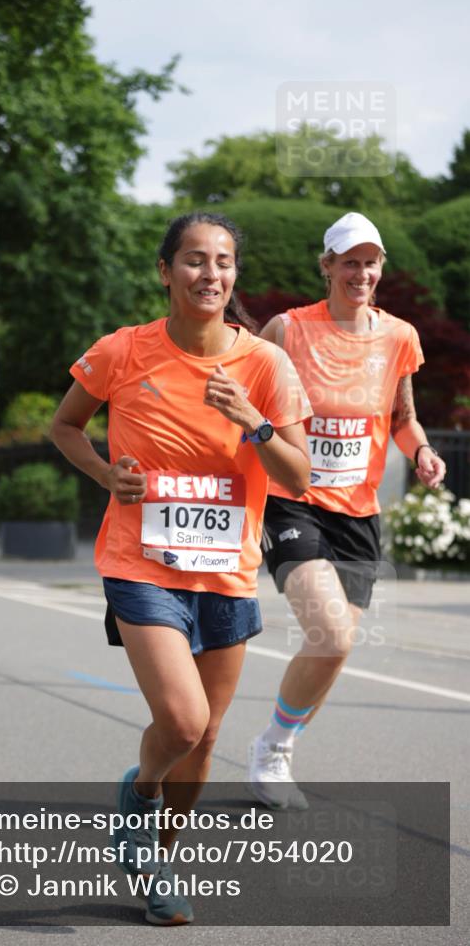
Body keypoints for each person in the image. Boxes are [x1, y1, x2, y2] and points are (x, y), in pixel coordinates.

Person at [51, 212, 312, 925]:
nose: (210, 275)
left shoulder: (264, 363)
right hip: (141, 562)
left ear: (234, 275)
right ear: (165, 272)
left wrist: (252, 421)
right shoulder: (122, 350)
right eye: (193, 261)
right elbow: (64, 424)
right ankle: (139, 794)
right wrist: (108, 476)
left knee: (205, 738)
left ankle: (156, 857)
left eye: (223, 262)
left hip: (227, 571)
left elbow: (297, 477)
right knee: (181, 719)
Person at [247, 211, 447, 811]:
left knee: (333, 648)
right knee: (330, 634)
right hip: (293, 501)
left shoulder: (398, 337)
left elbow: (402, 419)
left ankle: (276, 741)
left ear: (381, 268)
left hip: (359, 513)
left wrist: (424, 452)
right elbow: (247, 406)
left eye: (372, 261)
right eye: (350, 261)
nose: (362, 272)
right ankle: (273, 755)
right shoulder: (287, 330)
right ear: (327, 266)